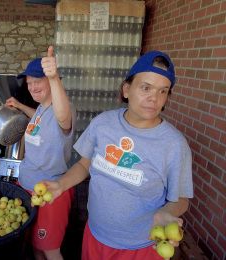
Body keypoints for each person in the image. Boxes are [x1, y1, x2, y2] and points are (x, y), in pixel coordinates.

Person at [46, 51, 193, 260]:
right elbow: (84, 165)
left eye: (163, 91)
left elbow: (181, 199)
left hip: (142, 246)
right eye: (146, 87)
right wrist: (61, 185)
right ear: (126, 89)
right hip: (96, 235)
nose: (154, 98)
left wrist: (168, 212)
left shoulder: (174, 144)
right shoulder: (103, 123)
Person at [5, 46, 75, 260]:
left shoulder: (63, 108)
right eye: (29, 82)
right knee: (36, 245)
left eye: (38, 81)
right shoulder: (42, 108)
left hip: (50, 193)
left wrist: (54, 78)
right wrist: (19, 105)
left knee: (50, 250)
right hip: (28, 187)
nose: (32, 87)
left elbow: (62, 117)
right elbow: (39, 115)